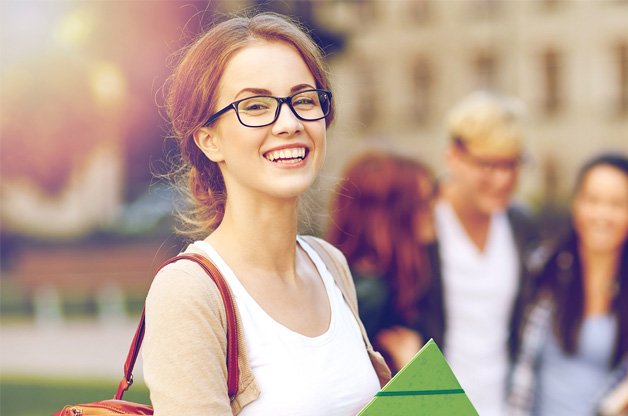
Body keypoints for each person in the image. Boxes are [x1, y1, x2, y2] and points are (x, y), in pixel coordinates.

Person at [141, 13, 389, 415]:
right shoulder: (189, 292)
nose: (289, 123)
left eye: (304, 99)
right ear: (209, 140)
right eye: (255, 106)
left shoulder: (330, 265)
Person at [508, 153, 628, 416]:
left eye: (616, 204)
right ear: (576, 204)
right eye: (593, 200)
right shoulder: (539, 274)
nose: (602, 214)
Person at [430, 91, 539, 415]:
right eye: (488, 165)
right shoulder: (422, 223)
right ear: (454, 156)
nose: (503, 179)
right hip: (433, 406)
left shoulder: (519, 224)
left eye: (512, 165)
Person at [327, 151, 439, 372]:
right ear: (393, 214)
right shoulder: (368, 294)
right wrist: (415, 368)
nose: (434, 211)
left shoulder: (391, 279)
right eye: (424, 203)